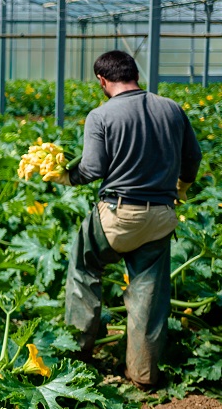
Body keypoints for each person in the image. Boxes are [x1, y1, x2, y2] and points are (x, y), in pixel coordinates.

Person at [52, 50, 201, 390]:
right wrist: (182, 187)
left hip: (118, 215)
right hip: (162, 215)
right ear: (135, 74)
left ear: (102, 81)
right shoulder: (172, 108)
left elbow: (91, 169)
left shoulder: (101, 116)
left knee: (85, 266)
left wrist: (65, 177)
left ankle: (75, 354)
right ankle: (144, 375)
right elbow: (193, 156)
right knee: (149, 292)